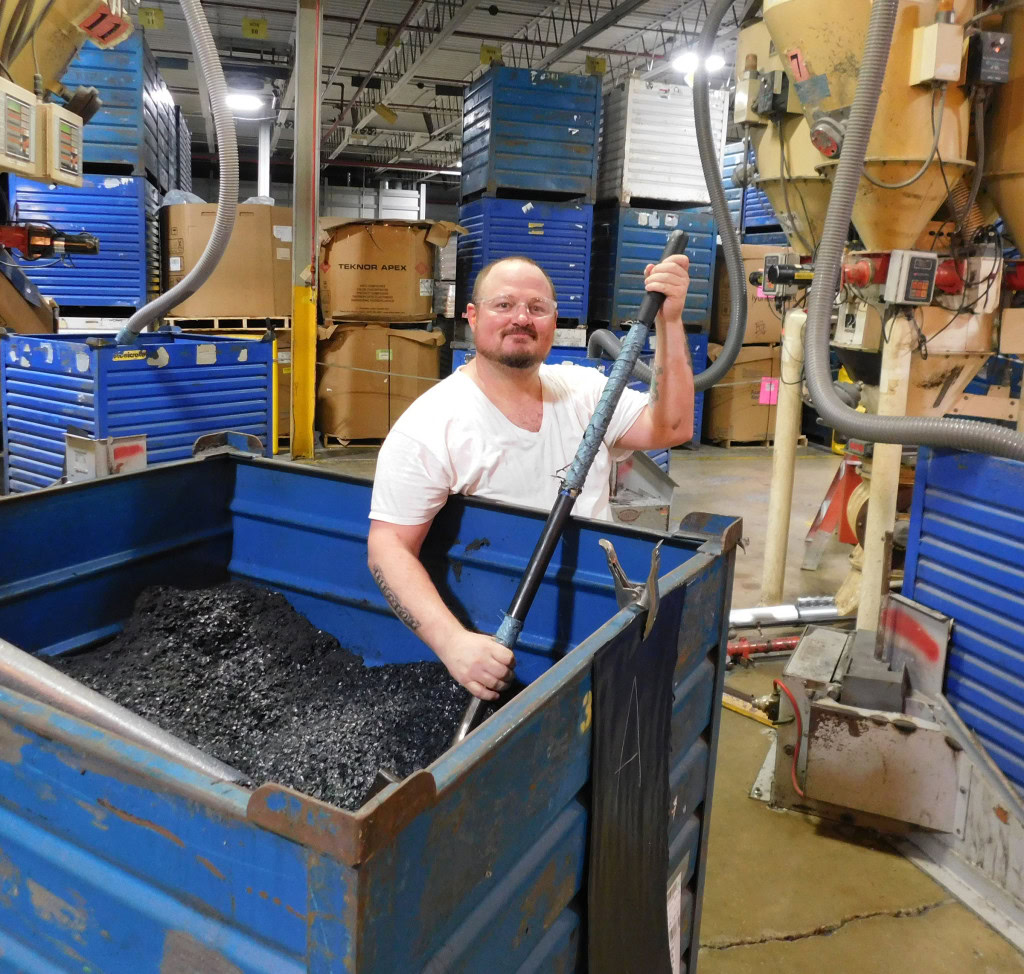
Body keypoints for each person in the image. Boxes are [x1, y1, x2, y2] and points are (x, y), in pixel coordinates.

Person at [367, 253, 694, 700]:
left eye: (537, 308)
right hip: (502, 644)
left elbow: (672, 426)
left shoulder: (587, 391)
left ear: (553, 321)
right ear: (472, 316)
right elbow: (388, 547)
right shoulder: (430, 426)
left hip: (599, 618)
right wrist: (454, 644)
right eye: (503, 305)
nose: (521, 318)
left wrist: (670, 321)